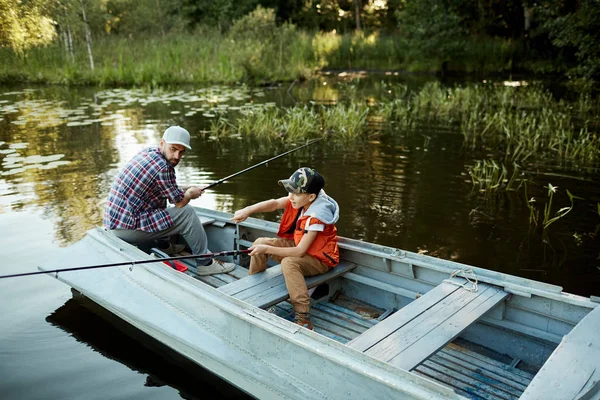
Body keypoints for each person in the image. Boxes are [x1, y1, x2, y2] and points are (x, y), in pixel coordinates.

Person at [103, 125, 235, 276]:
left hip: (113, 223)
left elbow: (164, 187)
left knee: (159, 201)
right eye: (173, 149)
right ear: (162, 143)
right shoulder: (163, 168)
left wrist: (187, 188)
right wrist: (190, 194)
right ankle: (205, 263)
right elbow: (179, 203)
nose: (177, 156)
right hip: (126, 229)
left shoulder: (148, 153)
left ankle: (164, 245)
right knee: (187, 212)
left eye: (181, 152)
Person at [230, 167, 340, 330]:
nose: (291, 197)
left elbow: (299, 252)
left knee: (289, 263)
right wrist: (247, 210)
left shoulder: (316, 217)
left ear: (311, 196)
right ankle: (255, 293)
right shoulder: (303, 200)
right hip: (302, 248)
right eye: (290, 191)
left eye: (296, 193)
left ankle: (303, 318)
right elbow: (274, 204)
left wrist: (266, 250)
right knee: (260, 241)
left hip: (320, 260)